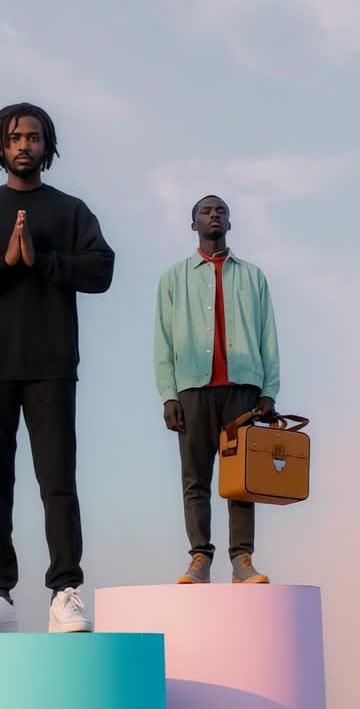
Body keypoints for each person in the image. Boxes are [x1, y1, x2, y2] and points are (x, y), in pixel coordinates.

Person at [0, 102, 114, 632]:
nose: (24, 145)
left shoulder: (70, 211)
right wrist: (4, 264)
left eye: (34, 137)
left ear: (47, 146)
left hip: (51, 365)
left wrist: (45, 260)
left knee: (57, 481)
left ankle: (65, 592)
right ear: (0, 145)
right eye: (15, 137)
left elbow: (101, 270)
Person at [153, 195, 280, 585]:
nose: (214, 215)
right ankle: (199, 558)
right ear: (194, 224)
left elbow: (268, 336)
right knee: (195, 478)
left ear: (229, 222)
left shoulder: (253, 276)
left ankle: (242, 560)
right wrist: (169, 394)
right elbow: (164, 341)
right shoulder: (174, 278)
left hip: (242, 391)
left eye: (221, 210)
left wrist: (269, 390)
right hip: (193, 389)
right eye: (206, 211)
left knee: (242, 479)